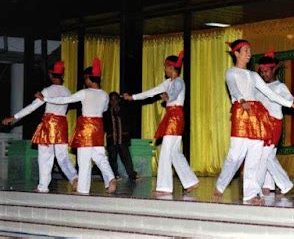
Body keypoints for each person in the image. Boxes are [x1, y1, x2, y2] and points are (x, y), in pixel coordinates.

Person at [214, 40, 294, 203]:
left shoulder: (253, 75)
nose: (249, 53)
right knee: (235, 155)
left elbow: (271, 94)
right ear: (236, 53)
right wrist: (241, 100)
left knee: (255, 156)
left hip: (256, 115)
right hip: (242, 113)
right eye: (245, 50)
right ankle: (221, 185)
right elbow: (233, 88)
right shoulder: (231, 72)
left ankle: (251, 193)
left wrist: (292, 105)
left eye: (250, 50)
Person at [36, 58, 117, 195]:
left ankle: (83, 189)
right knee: (99, 155)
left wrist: (46, 99)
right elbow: (104, 110)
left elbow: (64, 100)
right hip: (98, 126)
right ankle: (110, 178)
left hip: (86, 127)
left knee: (83, 158)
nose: (85, 82)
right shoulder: (104, 95)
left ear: (89, 79)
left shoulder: (84, 93)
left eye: (85, 79)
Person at [123, 51, 199, 195]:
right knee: (174, 152)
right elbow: (153, 91)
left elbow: (174, 94)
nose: (164, 69)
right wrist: (133, 97)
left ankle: (164, 187)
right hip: (172, 116)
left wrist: (168, 96)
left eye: (165, 67)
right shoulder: (168, 82)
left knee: (165, 151)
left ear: (171, 67)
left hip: (175, 117)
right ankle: (190, 181)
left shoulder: (179, 82)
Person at [2, 61, 78, 193]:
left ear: (50, 74)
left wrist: (14, 117)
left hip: (49, 125)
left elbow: (32, 108)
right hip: (61, 125)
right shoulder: (67, 91)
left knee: (45, 157)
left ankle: (43, 186)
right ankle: (74, 177)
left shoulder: (47, 91)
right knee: (62, 156)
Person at [254, 51, 294, 196]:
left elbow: (289, 100)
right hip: (260, 124)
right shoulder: (258, 87)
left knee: (267, 155)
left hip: (274, 124)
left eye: (266, 71)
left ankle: (285, 183)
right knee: (265, 155)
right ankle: (268, 184)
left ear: (273, 70)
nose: (264, 74)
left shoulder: (280, 86)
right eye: (262, 72)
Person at [103, 91, 138, 181]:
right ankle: (114, 175)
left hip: (123, 138)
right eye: (111, 100)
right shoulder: (106, 112)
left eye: (115, 99)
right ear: (109, 101)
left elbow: (130, 122)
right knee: (112, 158)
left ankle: (132, 175)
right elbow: (104, 126)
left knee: (126, 158)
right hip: (112, 138)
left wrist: (127, 132)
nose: (113, 102)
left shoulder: (124, 110)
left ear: (119, 100)